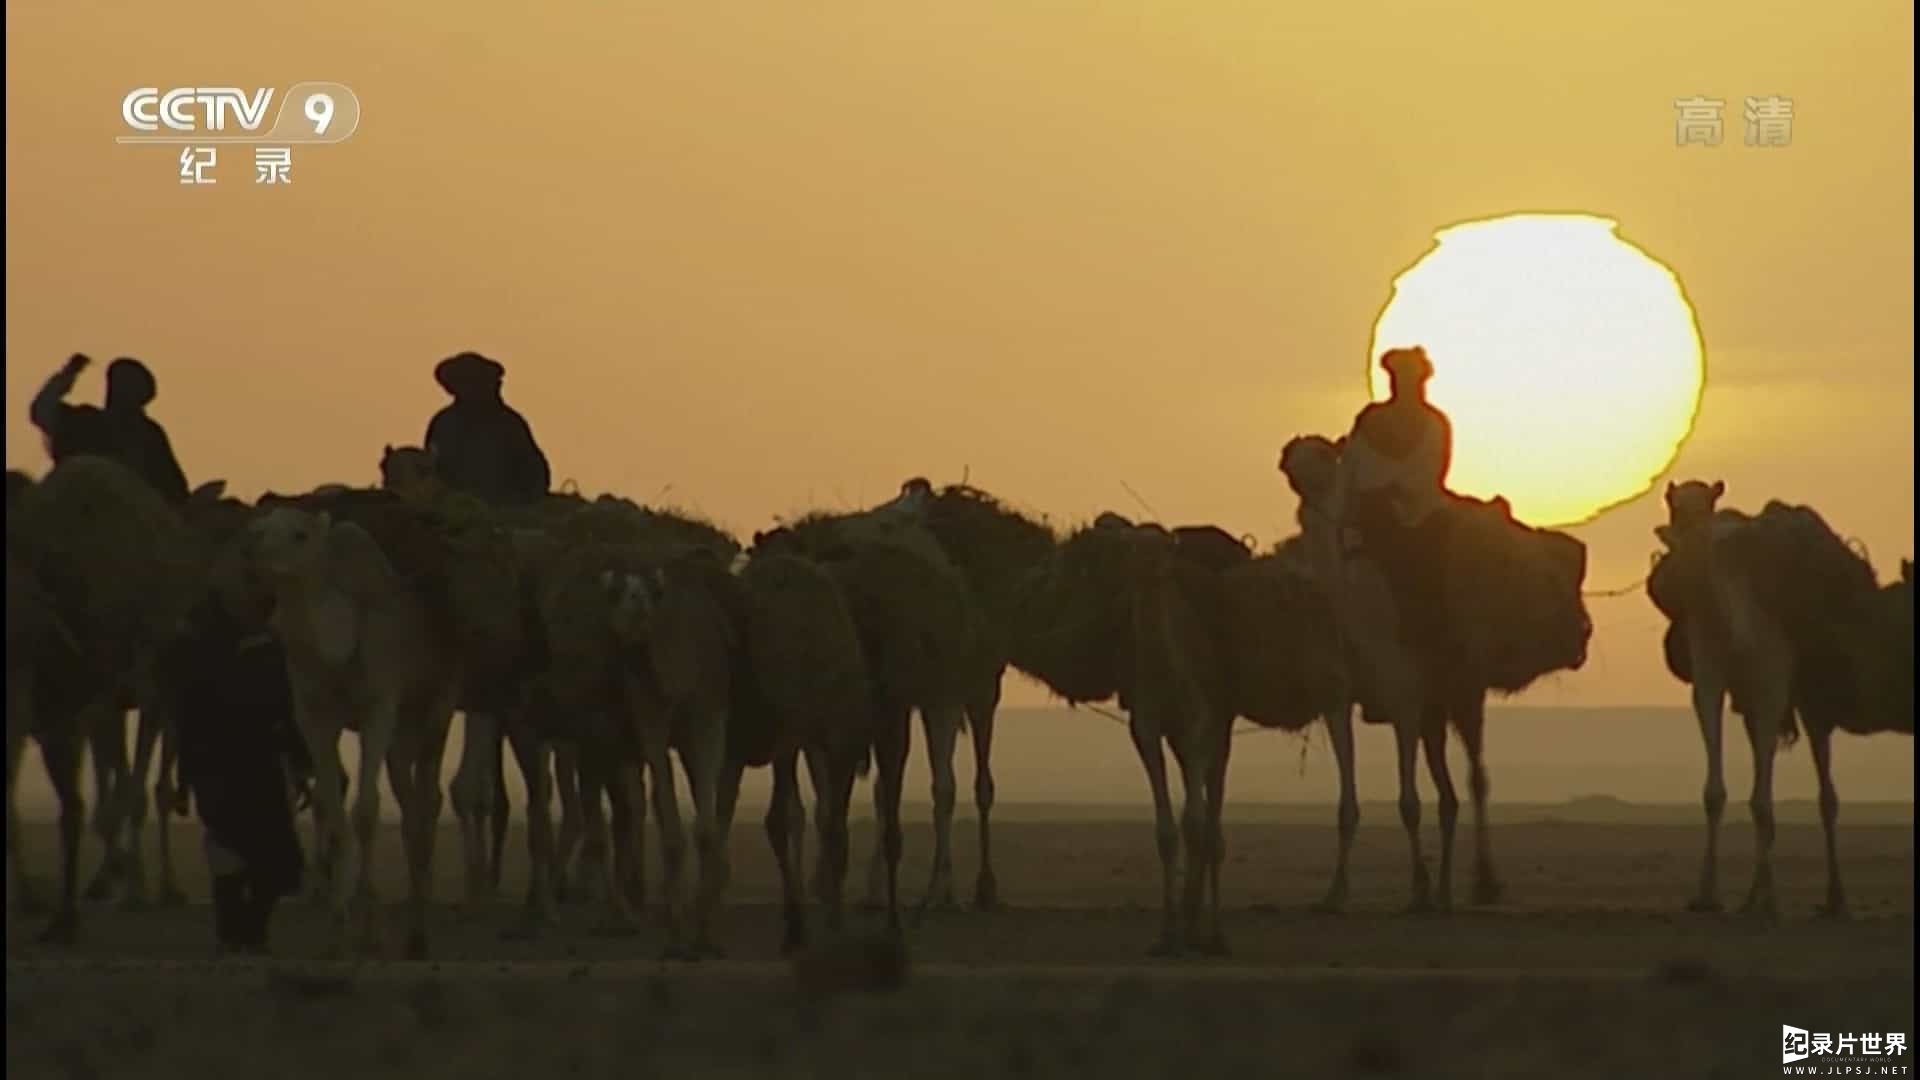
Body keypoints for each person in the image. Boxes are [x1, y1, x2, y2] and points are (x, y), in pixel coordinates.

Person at [164, 592, 306, 954]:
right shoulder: (225, 654)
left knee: (255, 857)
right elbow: (186, 719)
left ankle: (243, 932)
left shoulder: (259, 651)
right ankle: (242, 933)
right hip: (232, 768)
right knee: (245, 854)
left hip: (246, 768)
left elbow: (282, 711)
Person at [1323, 345, 1459, 653]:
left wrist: (1395, 493)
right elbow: (1353, 467)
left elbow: (1431, 473)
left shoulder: (1434, 424)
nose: (1403, 384)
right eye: (1397, 377)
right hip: (1368, 513)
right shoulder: (1370, 419)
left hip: (1420, 515)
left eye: (1410, 378)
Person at [28, 353, 190, 504]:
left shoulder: (148, 435)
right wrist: (68, 374)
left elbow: (173, 489)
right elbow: (41, 410)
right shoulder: (86, 422)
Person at [423, 352, 551, 506]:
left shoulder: (509, 424)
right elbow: (430, 472)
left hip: (506, 511)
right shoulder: (444, 424)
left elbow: (536, 474)